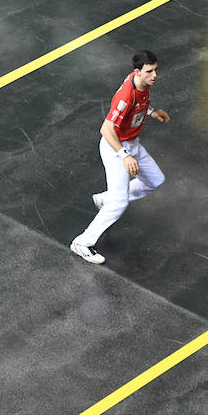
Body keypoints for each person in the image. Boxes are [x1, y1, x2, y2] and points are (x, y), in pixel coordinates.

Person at [70, 50, 171, 264]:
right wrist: (124, 155)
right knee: (119, 203)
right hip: (116, 148)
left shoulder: (140, 84)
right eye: (149, 71)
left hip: (132, 144)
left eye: (155, 70)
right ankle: (82, 243)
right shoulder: (127, 95)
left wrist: (151, 112)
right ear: (137, 72)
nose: (155, 75)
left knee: (155, 180)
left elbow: (140, 104)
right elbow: (106, 129)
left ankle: (104, 199)